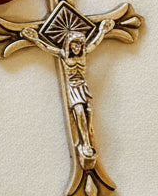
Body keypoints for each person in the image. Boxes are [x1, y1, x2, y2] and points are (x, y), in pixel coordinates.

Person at [20, 19, 115, 169]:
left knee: (89, 111)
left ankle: (88, 140)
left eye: (78, 45)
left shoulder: (84, 53)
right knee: (79, 112)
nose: (77, 47)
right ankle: (85, 143)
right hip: (73, 87)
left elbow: (95, 42)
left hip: (83, 87)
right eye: (74, 45)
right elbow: (47, 47)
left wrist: (103, 30)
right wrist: (34, 38)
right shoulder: (64, 54)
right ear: (69, 45)